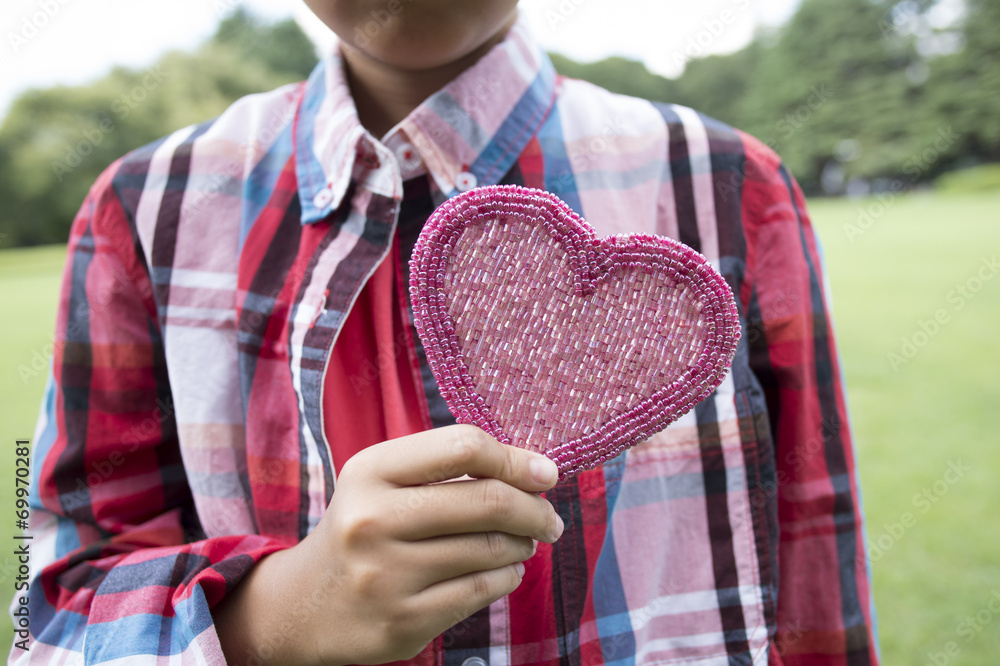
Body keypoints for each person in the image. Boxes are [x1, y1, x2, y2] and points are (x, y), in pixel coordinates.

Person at [11, 1, 880, 664]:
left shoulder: (727, 186)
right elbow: (49, 606)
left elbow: (814, 559)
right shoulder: (147, 210)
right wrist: (279, 614)